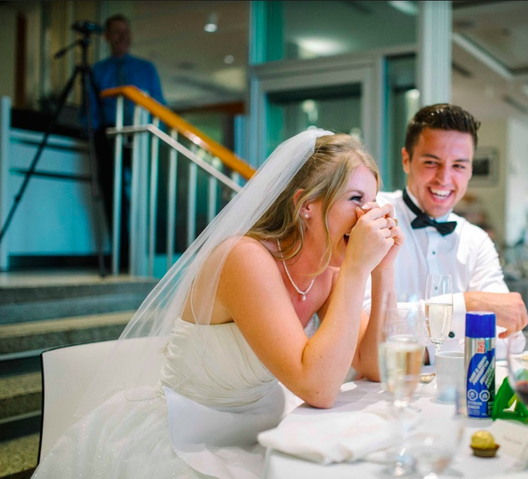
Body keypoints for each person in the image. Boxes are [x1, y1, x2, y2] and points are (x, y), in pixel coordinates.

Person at [32, 131, 402, 478]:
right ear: (305, 205)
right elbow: (318, 389)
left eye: (372, 202)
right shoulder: (244, 258)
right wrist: (356, 268)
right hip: (187, 438)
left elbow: (376, 367)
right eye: (356, 199)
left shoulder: (327, 273)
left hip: (265, 431)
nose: (368, 216)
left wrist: (383, 270)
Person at [364, 104, 528, 361]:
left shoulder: (477, 241)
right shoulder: (374, 217)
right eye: (432, 162)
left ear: (471, 169)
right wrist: (470, 305)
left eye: (459, 166)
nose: (444, 179)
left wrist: (418, 337)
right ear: (406, 160)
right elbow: (364, 322)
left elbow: (507, 339)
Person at [90, 13, 165, 270]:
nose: (122, 37)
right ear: (107, 37)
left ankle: (142, 253)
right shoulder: (97, 71)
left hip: (141, 134)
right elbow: (90, 111)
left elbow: (159, 107)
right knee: (113, 194)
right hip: (109, 134)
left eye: (125, 32)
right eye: (116, 32)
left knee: (143, 194)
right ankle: (121, 256)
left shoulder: (146, 69)